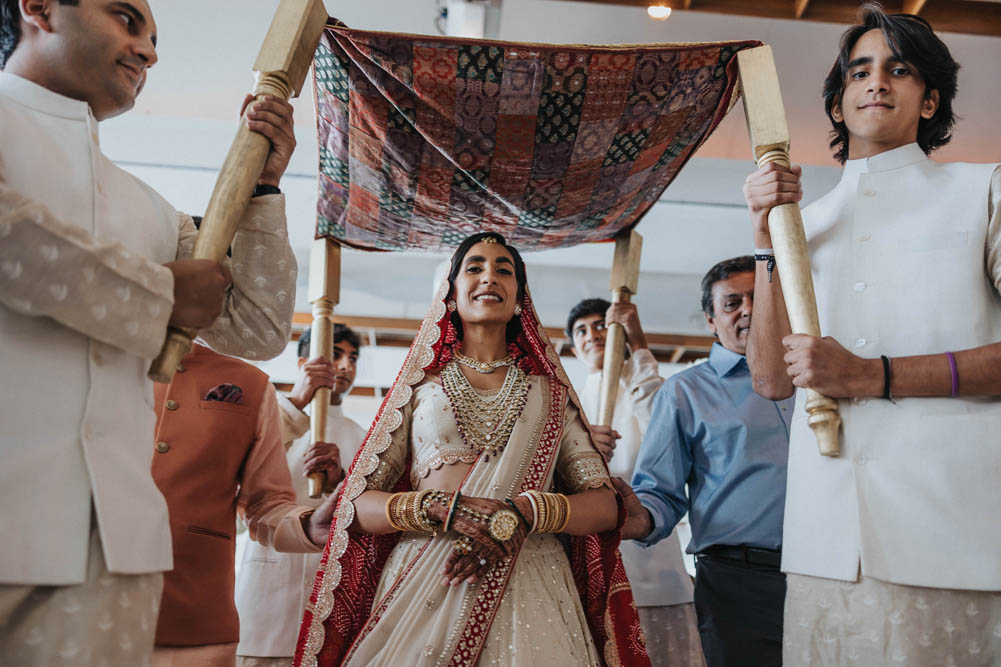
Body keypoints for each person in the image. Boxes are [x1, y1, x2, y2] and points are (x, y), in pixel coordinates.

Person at [0, 1, 298, 663]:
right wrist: (162, 294)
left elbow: (258, 324)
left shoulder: (151, 210)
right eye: (126, 18)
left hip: (117, 548)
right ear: (41, 7)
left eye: (156, 38)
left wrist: (264, 190)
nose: (150, 51)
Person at [742, 5, 1001, 665]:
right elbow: (771, 378)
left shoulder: (982, 191)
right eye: (858, 71)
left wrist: (870, 375)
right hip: (823, 537)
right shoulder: (807, 223)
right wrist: (766, 240)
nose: (875, 81)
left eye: (898, 68)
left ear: (929, 99)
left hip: (955, 528)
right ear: (835, 104)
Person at [293, 232, 649, 666]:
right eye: (475, 267)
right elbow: (355, 505)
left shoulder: (549, 394)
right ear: (452, 291)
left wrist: (525, 512)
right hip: (426, 570)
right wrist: (439, 508)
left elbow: (605, 506)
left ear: (520, 296)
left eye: (504, 270)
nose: (489, 277)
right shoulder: (418, 389)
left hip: (530, 573)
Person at [617, 256, 794, 667]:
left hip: (829, 571)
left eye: (759, 299)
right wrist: (638, 517)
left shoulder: (816, 379)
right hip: (739, 583)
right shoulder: (684, 393)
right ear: (711, 321)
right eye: (733, 303)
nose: (748, 309)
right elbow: (660, 492)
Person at [150, 344, 340, 667]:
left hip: (197, 619)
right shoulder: (90, 358)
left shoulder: (250, 383)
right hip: (83, 598)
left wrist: (309, 526)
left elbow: (266, 504)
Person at [567, 297, 703, 667]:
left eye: (602, 326)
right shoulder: (569, 401)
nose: (592, 335)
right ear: (573, 348)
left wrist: (639, 344)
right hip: (590, 548)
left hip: (648, 543)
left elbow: (665, 425)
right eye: (582, 330)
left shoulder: (643, 386)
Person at [235, 325, 367, 667]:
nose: (345, 366)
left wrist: (341, 481)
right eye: (335, 355)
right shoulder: (270, 417)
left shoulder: (365, 436)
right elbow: (233, 473)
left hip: (332, 597)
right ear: (303, 362)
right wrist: (297, 402)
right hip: (267, 595)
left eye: (352, 357)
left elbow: (369, 515)